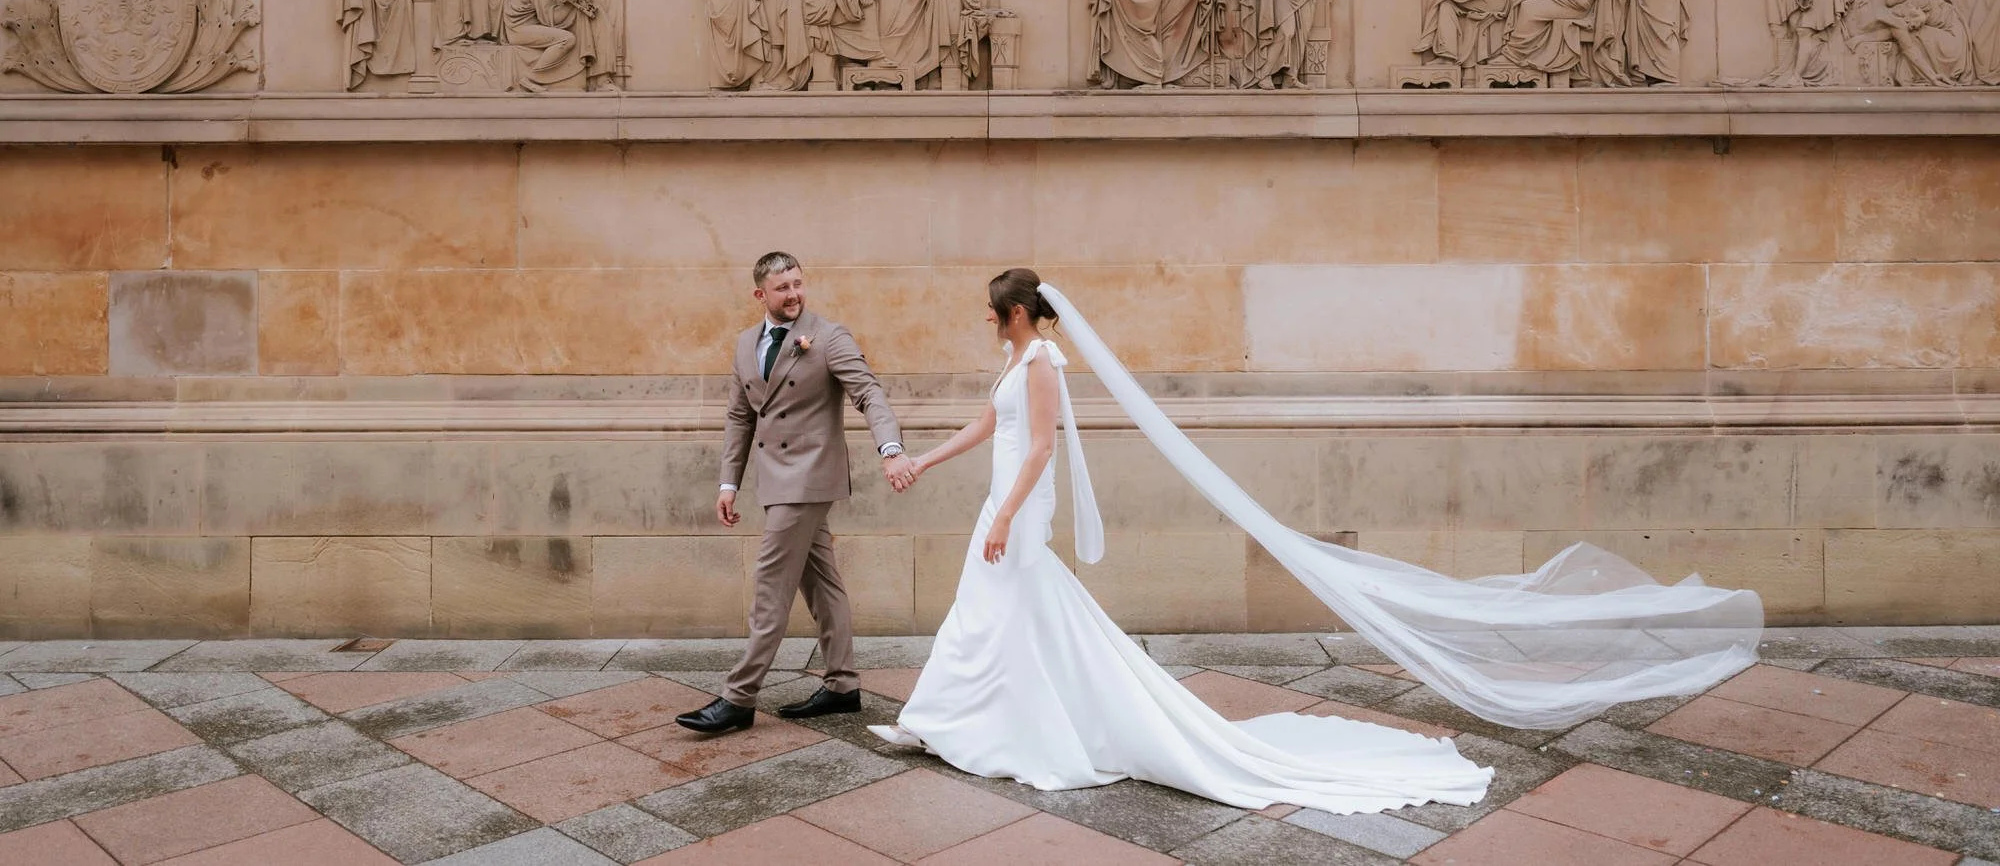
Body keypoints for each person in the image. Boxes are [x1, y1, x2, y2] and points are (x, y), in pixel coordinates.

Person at [866, 271, 1763, 813]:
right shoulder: (1017, 366)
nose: (992, 324)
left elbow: (1042, 448)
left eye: (995, 314)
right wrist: (920, 464)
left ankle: (967, 724)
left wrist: (1004, 515)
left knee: (1002, 611)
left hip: (1017, 512)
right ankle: (958, 720)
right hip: (1003, 507)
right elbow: (987, 429)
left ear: (1015, 315)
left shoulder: (1047, 366)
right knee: (1007, 618)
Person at [676, 253, 918, 733]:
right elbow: (740, 417)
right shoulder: (746, 344)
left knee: (770, 582)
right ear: (760, 294)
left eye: (798, 284)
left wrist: (890, 449)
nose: (793, 294)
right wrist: (729, 483)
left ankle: (739, 697)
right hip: (773, 478)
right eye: (782, 287)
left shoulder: (828, 337)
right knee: (820, 581)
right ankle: (843, 685)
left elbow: (869, 393)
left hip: (810, 476)